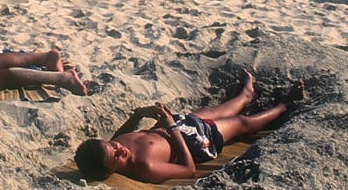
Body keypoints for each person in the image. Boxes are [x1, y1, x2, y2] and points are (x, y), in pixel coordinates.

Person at [73, 70, 300, 183]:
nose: (121, 149)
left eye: (114, 146)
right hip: (197, 143)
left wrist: (138, 115)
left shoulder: (116, 145)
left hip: (177, 126)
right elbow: (188, 169)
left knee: (214, 111)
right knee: (242, 124)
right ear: (112, 170)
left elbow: (121, 136)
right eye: (118, 157)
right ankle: (283, 106)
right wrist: (171, 128)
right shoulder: (143, 166)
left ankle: (246, 95)